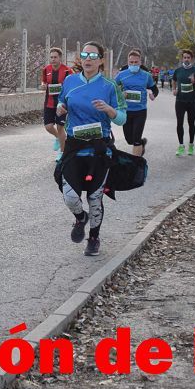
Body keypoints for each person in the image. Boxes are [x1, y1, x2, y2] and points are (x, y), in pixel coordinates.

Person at [56, 41, 127, 257]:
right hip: (74, 146)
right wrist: (61, 109)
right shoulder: (69, 81)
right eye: (85, 55)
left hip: (98, 149)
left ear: (101, 61)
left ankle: (94, 238)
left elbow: (122, 118)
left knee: (95, 197)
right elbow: (62, 105)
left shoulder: (109, 86)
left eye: (93, 56)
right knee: (70, 196)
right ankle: (80, 217)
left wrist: (110, 110)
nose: (88, 59)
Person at [114, 48, 157, 157]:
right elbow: (113, 89)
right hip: (126, 111)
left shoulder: (146, 75)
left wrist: (153, 94)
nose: (133, 64)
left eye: (136, 62)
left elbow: (154, 88)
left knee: (136, 139)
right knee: (129, 140)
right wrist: (120, 94)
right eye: (131, 62)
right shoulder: (121, 74)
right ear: (128, 62)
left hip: (140, 111)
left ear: (140, 62)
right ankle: (142, 143)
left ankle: (136, 165)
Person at [40, 47, 73, 157]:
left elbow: (72, 85)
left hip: (62, 104)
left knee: (60, 127)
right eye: (51, 57)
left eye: (55, 57)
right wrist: (43, 86)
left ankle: (62, 154)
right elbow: (43, 82)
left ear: (60, 58)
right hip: (49, 102)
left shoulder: (67, 71)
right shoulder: (46, 69)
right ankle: (59, 138)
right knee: (48, 127)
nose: (53, 59)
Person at [172, 49, 195, 156]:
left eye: (188, 57)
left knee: (191, 123)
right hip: (180, 101)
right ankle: (181, 146)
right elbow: (174, 80)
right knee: (179, 123)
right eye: (184, 57)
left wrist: (194, 82)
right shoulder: (178, 70)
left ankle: (191, 144)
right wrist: (174, 89)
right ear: (182, 58)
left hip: (192, 101)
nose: (186, 59)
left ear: (192, 59)